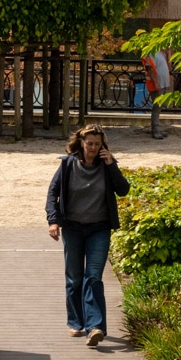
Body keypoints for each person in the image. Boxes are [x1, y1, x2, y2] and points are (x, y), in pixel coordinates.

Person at [45, 125, 129, 347]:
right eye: (89, 143)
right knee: (74, 278)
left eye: (97, 144)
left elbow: (123, 190)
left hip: (99, 228)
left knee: (93, 277)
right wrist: (53, 220)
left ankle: (95, 327)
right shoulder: (68, 164)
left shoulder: (107, 164)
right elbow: (53, 193)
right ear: (81, 143)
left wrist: (111, 165)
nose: (93, 148)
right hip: (72, 227)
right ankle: (76, 321)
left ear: (102, 145)